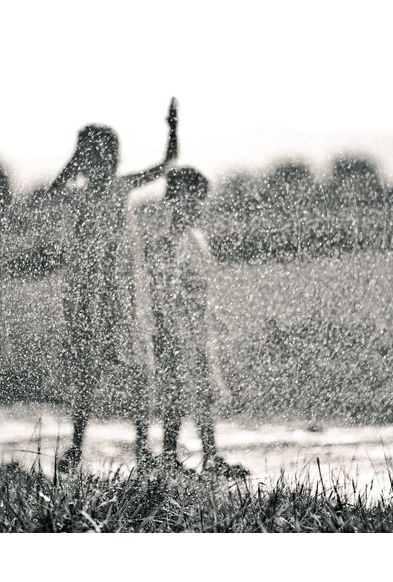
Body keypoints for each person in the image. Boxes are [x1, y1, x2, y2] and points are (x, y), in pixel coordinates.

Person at [31, 99, 178, 472]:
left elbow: (166, 165)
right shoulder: (79, 196)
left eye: (102, 156)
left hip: (121, 296)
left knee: (134, 371)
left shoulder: (118, 188)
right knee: (87, 372)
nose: (98, 164)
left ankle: (142, 448)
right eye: (90, 157)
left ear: (112, 159)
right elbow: (50, 193)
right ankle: (78, 449)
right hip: (86, 296)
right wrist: (74, 158)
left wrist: (172, 128)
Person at [148, 167, 248, 477]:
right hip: (176, 330)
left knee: (198, 393)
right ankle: (183, 458)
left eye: (198, 201)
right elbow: (163, 291)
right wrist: (174, 329)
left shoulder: (195, 237)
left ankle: (199, 456)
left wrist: (211, 317)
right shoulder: (167, 241)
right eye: (188, 200)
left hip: (195, 328)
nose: (194, 207)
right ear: (172, 201)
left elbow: (197, 286)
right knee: (179, 394)